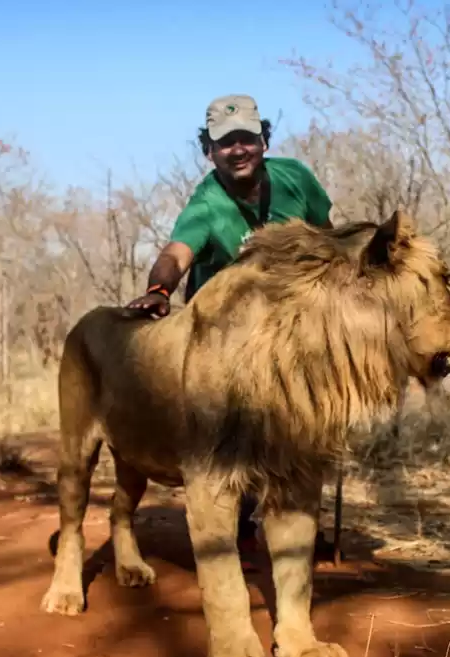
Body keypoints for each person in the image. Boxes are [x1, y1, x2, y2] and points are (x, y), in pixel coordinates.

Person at [126, 93, 335, 570]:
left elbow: (327, 237)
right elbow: (177, 252)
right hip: (226, 331)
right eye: (225, 143)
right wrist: (159, 289)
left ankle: (300, 516)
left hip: (292, 320)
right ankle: (238, 521)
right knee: (239, 426)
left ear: (264, 140)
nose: (237, 150)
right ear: (209, 150)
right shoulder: (207, 203)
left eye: (246, 139)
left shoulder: (296, 179)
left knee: (307, 416)